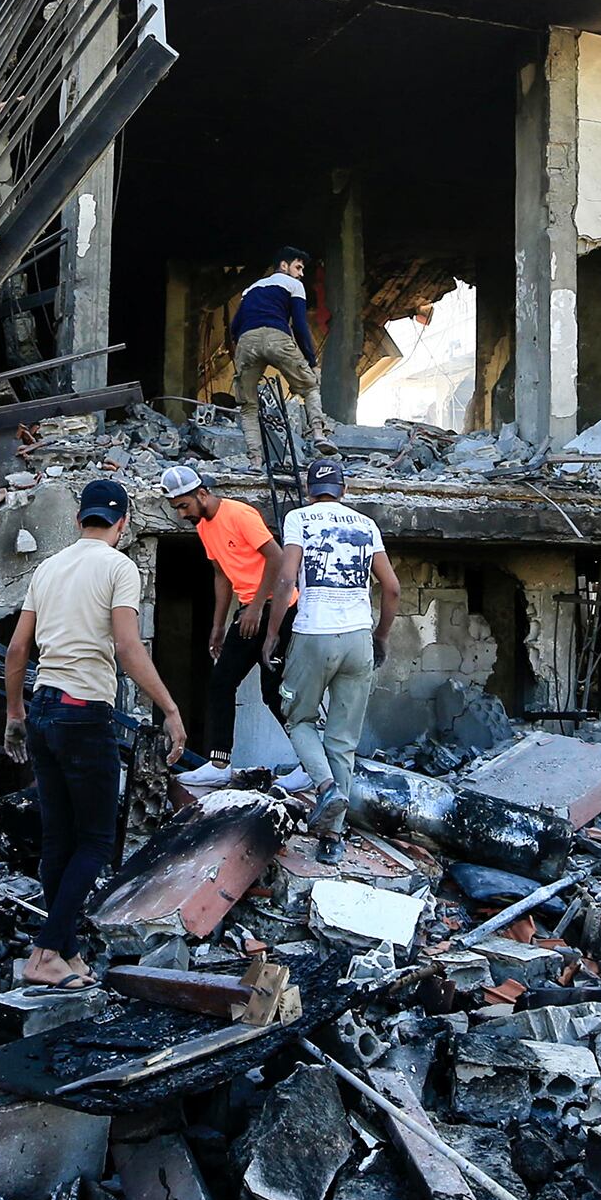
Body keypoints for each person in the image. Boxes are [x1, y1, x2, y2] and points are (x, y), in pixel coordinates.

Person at [0, 479, 189, 986]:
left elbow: (17, 651)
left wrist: (15, 714)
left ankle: (67, 951)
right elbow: (128, 648)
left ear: (78, 520)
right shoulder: (119, 567)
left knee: (58, 841)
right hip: (84, 716)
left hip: (42, 710)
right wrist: (169, 709)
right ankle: (44, 956)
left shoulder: (48, 568)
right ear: (123, 522)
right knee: (97, 842)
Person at [262, 459, 398, 862]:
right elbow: (391, 588)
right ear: (344, 488)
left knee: (299, 719)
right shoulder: (366, 525)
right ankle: (332, 842)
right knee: (343, 740)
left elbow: (286, 580)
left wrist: (272, 632)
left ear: (309, 489)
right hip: (358, 637)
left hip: (313, 635)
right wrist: (381, 636)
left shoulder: (299, 519)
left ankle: (325, 789)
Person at [157, 464, 297, 791]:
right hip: (249, 609)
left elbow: (276, 558)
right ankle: (220, 764)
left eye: (184, 505)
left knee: (272, 692)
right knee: (221, 683)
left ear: (202, 493)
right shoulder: (205, 527)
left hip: (280, 610)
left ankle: (311, 762)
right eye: (176, 507)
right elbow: (221, 576)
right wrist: (218, 625)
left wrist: (258, 607)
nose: (181, 514)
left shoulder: (240, 515)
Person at [228, 245, 335, 461]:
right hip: (277, 337)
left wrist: (244, 348)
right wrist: (311, 361)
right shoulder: (293, 284)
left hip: (247, 342)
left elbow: (235, 326)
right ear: (284, 265)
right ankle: (318, 434)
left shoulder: (250, 289)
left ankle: (255, 460)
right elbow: (300, 326)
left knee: (248, 406)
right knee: (310, 386)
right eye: (298, 267)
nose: (301, 273)